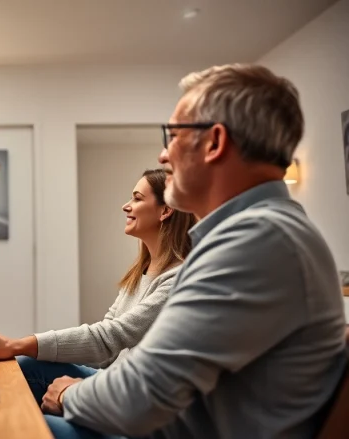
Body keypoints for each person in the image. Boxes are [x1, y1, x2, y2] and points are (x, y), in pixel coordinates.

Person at [20, 64, 347, 439]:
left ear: (214, 142)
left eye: (172, 135)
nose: (163, 155)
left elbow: (140, 397)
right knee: (22, 374)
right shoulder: (260, 232)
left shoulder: (256, 241)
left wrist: (72, 394)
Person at [0, 169, 196, 406]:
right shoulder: (139, 272)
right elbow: (107, 350)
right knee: (28, 366)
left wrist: (17, 345)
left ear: (165, 210)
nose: (126, 205)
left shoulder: (175, 279)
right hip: (110, 380)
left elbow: (109, 338)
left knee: (28, 394)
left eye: (137, 198)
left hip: (130, 400)